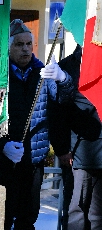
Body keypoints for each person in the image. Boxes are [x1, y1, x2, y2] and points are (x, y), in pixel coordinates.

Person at [0, 19, 75, 230]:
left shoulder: (42, 73)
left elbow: (63, 100)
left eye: (28, 44)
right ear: (8, 47)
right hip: (6, 160)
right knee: (3, 217)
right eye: (19, 44)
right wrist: (2, 146)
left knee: (28, 217)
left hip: (34, 160)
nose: (25, 49)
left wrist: (63, 79)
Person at [53, 46, 102, 230]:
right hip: (78, 156)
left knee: (98, 216)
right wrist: (61, 149)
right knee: (76, 214)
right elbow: (57, 113)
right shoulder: (66, 67)